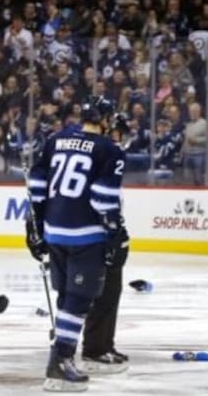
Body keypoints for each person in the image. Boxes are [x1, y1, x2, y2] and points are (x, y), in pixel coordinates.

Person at [25, 96, 128, 391]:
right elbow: (102, 197)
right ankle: (60, 359)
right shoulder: (110, 150)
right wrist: (114, 231)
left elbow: (37, 185)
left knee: (66, 297)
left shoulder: (55, 139)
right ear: (105, 120)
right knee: (80, 299)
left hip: (54, 231)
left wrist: (34, 226)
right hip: (85, 233)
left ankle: (62, 354)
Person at [81, 113, 130, 372]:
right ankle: (94, 348)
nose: (120, 140)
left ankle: (105, 344)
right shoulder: (102, 158)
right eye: (118, 133)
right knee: (102, 293)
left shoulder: (109, 160)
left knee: (112, 291)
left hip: (108, 233)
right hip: (98, 236)